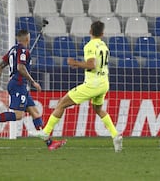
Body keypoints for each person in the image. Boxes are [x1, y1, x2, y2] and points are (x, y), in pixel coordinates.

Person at [32, 21, 123, 152]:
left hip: (93, 84)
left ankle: (45, 132)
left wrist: (75, 63)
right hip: (104, 82)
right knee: (98, 109)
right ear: (102, 34)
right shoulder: (104, 46)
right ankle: (115, 135)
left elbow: (92, 65)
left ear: (90, 31)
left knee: (61, 103)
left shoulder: (90, 45)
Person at [0, 30, 66, 150]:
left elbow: (0, 66)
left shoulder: (13, 50)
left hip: (17, 84)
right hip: (18, 84)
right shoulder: (24, 51)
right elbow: (20, 67)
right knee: (18, 115)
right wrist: (33, 82)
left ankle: (49, 143)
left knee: (35, 112)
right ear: (27, 38)